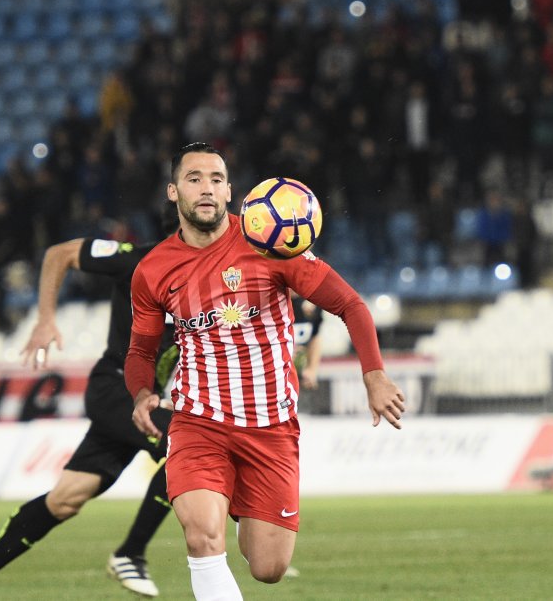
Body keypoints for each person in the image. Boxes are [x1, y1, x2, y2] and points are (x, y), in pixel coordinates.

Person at [125, 143, 405, 600]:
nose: (207, 188)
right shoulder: (153, 270)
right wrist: (141, 392)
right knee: (202, 536)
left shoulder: (270, 243)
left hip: (270, 426)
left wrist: (373, 374)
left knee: (268, 567)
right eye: (194, 179)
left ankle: (236, 503)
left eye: (217, 179)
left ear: (231, 191)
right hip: (199, 421)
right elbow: (140, 347)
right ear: (174, 192)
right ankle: (215, 508)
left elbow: (351, 305)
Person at [0, 207, 182, 601]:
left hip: (141, 400)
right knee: (187, 444)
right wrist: (44, 319)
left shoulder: (205, 281)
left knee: (66, 498)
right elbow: (60, 254)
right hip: (115, 391)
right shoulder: (134, 258)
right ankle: (131, 553)